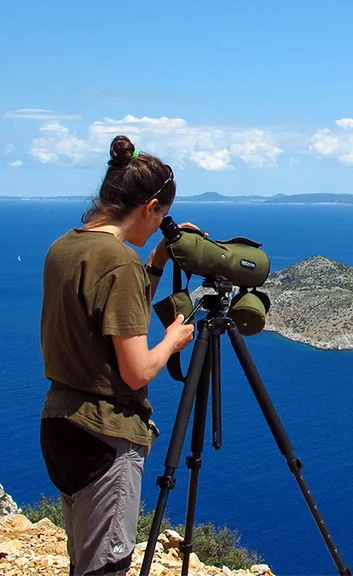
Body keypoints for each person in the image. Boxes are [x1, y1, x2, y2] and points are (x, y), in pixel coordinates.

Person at [39, 134, 196, 576]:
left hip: (61, 424)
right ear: (150, 207)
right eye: (162, 216)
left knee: (83, 560)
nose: (159, 225)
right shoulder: (119, 261)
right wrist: (172, 340)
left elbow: (104, 312)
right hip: (104, 433)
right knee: (106, 565)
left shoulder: (66, 246)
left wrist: (156, 263)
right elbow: (136, 370)